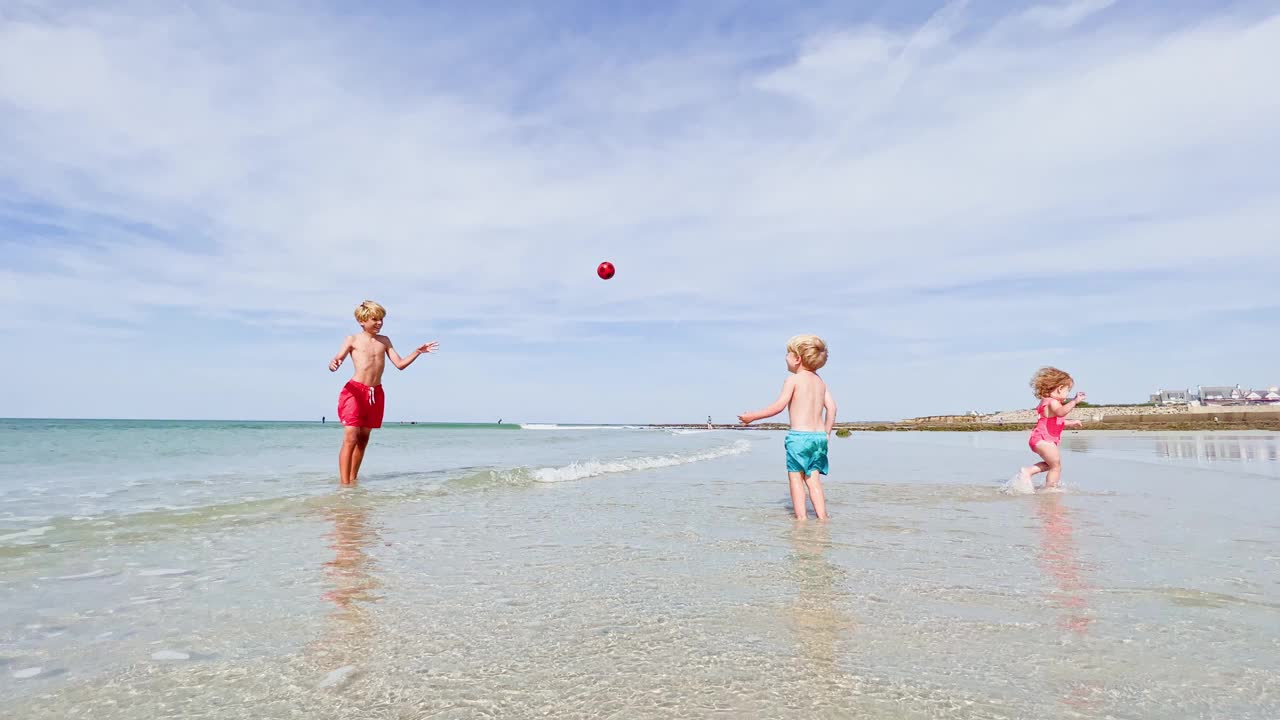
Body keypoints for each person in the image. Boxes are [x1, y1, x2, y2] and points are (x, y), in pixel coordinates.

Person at [329, 300, 438, 485]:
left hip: (375, 394)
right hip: (354, 392)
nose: (379, 323)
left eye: (381, 319)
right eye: (375, 319)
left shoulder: (384, 341)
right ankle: (344, 485)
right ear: (362, 320)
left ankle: (353, 480)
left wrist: (417, 352)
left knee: (363, 439)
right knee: (351, 437)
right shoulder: (352, 339)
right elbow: (337, 359)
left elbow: (400, 364)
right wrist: (334, 363)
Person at [739, 335, 837, 520]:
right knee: (813, 480)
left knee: (796, 479)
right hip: (819, 438)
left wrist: (752, 416)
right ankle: (822, 518)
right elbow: (832, 407)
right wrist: (827, 433)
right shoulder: (820, 382)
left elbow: (778, 406)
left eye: (788, 354)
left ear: (797, 358)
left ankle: (801, 520)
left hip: (799, 437)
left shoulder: (793, 380)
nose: (785, 357)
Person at [1014, 367, 1085, 491]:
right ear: (1060, 388)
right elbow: (1061, 412)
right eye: (1068, 391)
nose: (1067, 395)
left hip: (1038, 439)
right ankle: (1050, 489)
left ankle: (1029, 472)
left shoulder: (1045, 401)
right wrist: (1074, 401)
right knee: (1056, 466)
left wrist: (1072, 423)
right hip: (1044, 440)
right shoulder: (1053, 402)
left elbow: (1055, 421)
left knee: (1051, 464)